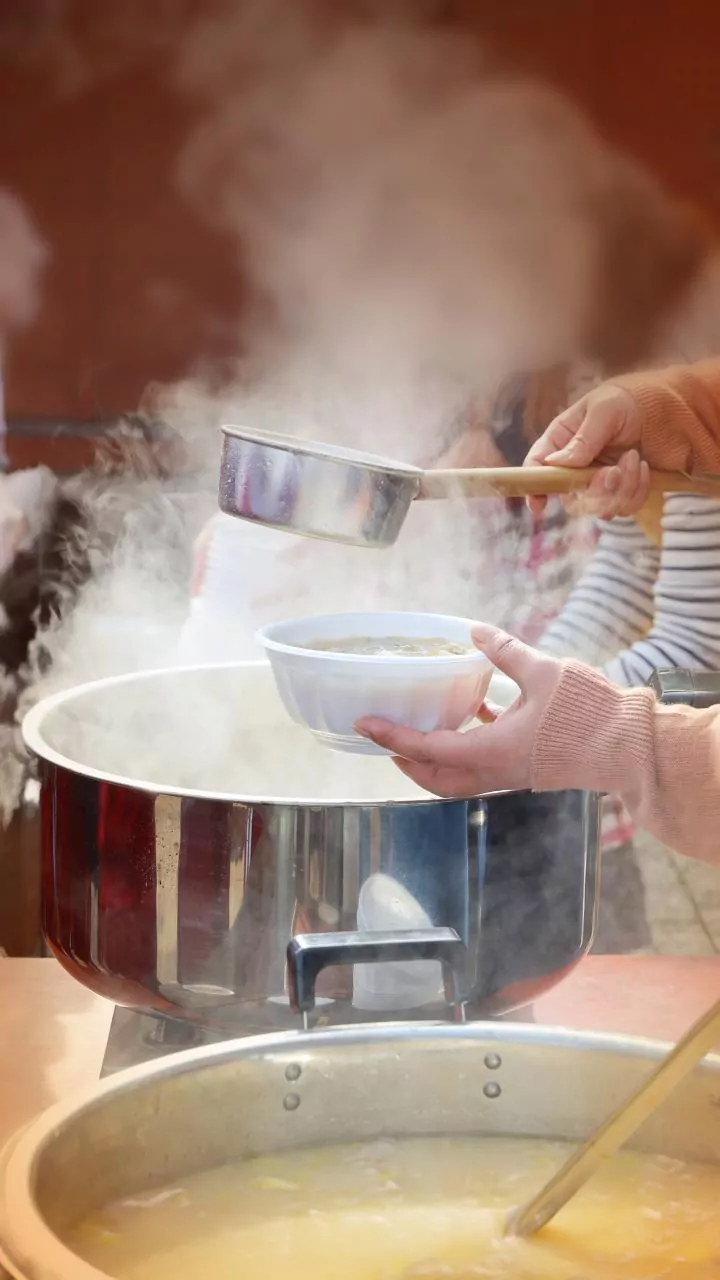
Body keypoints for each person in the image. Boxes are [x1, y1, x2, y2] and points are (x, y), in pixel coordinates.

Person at [356, 356, 720, 867]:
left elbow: (694, 636)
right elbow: (625, 569)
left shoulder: (607, 364)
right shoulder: (621, 404)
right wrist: (526, 701)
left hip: (592, 772)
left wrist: (570, 727)